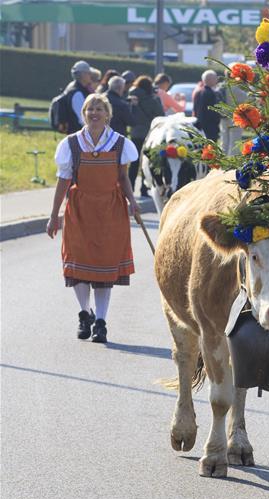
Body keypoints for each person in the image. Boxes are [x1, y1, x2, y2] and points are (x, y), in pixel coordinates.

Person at [46, 93, 142, 344]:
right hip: (80, 210)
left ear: (108, 114)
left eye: (99, 109)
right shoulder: (71, 144)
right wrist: (54, 215)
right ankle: (83, 312)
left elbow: (123, 178)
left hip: (111, 210)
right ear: (84, 114)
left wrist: (133, 202)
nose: (95, 113)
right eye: (90, 109)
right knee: (78, 265)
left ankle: (100, 322)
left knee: (104, 268)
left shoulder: (120, 143)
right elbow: (63, 180)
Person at [128, 75, 164, 196]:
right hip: (149, 135)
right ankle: (144, 189)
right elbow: (161, 115)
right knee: (146, 162)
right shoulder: (152, 100)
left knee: (133, 162)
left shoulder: (130, 97)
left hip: (135, 133)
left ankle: (130, 188)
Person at [219, 65, 249, 155]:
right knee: (234, 141)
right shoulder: (234, 87)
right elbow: (247, 98)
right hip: (235, 117)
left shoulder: (222, 86)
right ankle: (232, 161)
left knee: (224, 140)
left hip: (223, 116)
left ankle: (222, 160)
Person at [65, 61, 95, 132]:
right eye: (89, 73)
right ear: (83, 75)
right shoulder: (77, 93)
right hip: (78, 136)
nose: (91, 75)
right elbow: (82, 119)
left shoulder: (76, 88)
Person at [192, 70, 221, 143]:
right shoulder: (211, 93)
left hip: (199, 125)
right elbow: (214, 111)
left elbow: (195, 109)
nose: (217, 80)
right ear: (211, 80)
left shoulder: (198, 92)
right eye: (215, 78)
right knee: (211, 149)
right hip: (210, 126)